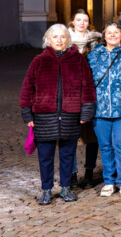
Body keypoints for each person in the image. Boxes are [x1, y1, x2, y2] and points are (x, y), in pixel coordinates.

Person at [20, 24, 96, 205]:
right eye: (55, 37)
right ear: (48, 39)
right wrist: (27, 114)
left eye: (63, 37)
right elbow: (27, 88)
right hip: (44, 116)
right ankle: (46, 190)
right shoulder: (39, 60)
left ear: (68, 39)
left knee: (67, 155)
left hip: (70, 115)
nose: (59, 40)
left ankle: (66, 187)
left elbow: (88, 87)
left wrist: (86, 110)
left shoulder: (78, 60)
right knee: (45, 156)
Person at [87, 22, 121, 198]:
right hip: (100, 110)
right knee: (105, 147)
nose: (113, 35)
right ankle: (109, 181)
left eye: (116, 32)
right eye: (109, 32)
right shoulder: (94, 55)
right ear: (103, 36)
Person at [68, 9, 101, 188]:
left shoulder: (96, 41)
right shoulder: (62, 40)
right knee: (70, 136)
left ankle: (89, 173)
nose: (82, 23)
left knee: (92, 135)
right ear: (72, 21)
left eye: (85, 20)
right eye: (78, 20)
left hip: (91, 93)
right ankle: (72, 174)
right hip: (70, 95)